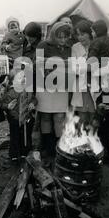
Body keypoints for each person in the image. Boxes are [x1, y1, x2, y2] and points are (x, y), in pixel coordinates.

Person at [36, 22, 72, 163]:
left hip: (62, 86)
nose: (62, 40)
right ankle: (47, 146)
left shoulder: (69, 47)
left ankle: (58, 146)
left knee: (58, 116)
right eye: (59, 37)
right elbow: (36, 62)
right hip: (45, 85)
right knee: (45, 116)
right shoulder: (43, 45)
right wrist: (58, 62)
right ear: (53, 35)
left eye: (65, 37)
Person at [1, 69, 37, 162]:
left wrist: (33, 103)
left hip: (27, 118)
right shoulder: (10, 93)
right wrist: (8, 106)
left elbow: (34, 99)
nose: (23, 79)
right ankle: (14, 154)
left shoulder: (28, 90)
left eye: (24, 77)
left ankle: (25, 152)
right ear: (13, 81)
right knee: (15, 137)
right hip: (15, 119)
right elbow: (2, 105)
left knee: (26, 136)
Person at [70, 20, 96, 128]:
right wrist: (89, 67)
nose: (80, 37)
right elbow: (74, 68)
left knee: (94, 118)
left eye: (83, 34)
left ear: (89, 33)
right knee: (82, 119)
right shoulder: (75, 47)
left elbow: (100, 66)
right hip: (81, 87)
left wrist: (84, 66)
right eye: (78, 35)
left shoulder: (96, 44)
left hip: (94, 85)